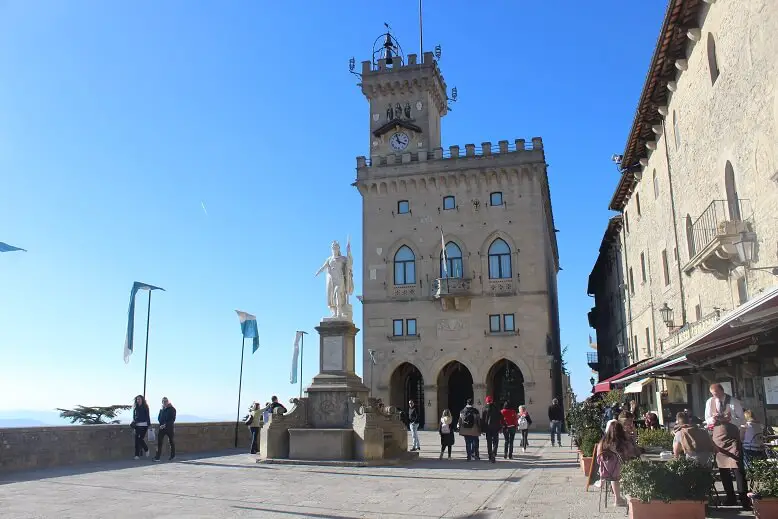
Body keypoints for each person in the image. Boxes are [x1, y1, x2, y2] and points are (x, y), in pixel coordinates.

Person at [595, 421, 641, 507]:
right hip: (623, 473)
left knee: (614, 474)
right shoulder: (623, 443)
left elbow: (598, 460)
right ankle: (630, 498)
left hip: (605, 473)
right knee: (632, 468)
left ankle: (618, 498)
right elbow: (633, 453)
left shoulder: (602, 443)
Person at [712, 411, 750, 510]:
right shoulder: (733, 427)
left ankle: (731, 498)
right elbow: (739, 438)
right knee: (739, 476)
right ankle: (744, 500)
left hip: (721, 454)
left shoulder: (715, 429)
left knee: (725, 477)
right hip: (735, 453)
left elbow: (714, 441)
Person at [153, 397, 176, 462]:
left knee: (171, 441)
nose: (165, 402)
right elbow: (159, 418)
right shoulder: (162, 410)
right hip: (161, 428)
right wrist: (161, 424)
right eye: (163, 401)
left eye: (166, 401)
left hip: (169, 428)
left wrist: (165, 425)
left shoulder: (172, 409)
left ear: (168, 401)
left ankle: (172, 455)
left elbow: (172, 419)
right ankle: (157, 457)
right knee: (159, 442)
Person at [481, 396, 502, 463]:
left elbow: (483, 420)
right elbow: (500, 418)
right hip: (495, 427)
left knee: (489, 442)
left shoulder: (484, 409)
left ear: (486, 401)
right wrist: (500, 427)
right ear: (492, 401)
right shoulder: (496, 408)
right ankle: (494, 452)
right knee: (495, 441)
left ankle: (490, 455)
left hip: (487, 428)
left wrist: (483, 430)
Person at [131, 395, 150, 459]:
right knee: (137, 440)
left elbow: (147, 416)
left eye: (139, 399)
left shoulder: (145, 407)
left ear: (142, 400)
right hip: (137, 425)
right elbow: (134, 416)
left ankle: (146, 449)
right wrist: (134, 423)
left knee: (140, 439)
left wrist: (149, 424)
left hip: (144, 425)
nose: (138, 400)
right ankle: (137, 455)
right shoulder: (135, 407)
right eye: (137, 399)